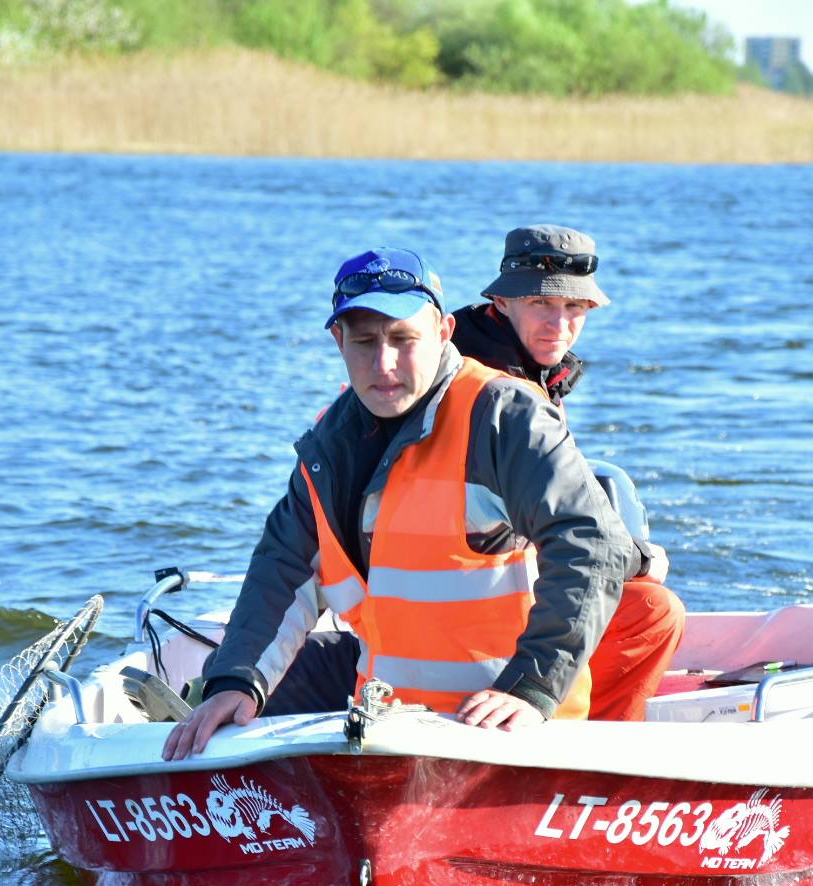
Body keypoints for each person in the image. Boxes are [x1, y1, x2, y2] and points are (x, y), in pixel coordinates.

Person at [163, 246, 641, 761]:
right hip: (388, 732)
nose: (383, 364)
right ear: (337, 340)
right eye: (365, 342)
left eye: (403, 340)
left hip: (516, 734)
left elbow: (592, 543)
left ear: (442, 334)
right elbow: (284, 569)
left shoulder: (506, 415)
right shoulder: (328, 447)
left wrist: (530, 687)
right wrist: (235, 681)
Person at [449, 224, 685, 723]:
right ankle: (597, 766)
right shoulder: (501, 391)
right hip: (471, 592)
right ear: (503, 302)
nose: (560, 325)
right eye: (542, 305)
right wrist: (638, 560)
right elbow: (568, 533)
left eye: (574, 309)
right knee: (653, 612)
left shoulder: (499, 360)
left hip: (469, 574)